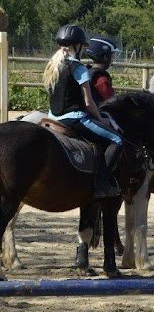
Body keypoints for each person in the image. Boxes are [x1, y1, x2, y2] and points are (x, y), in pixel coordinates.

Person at [43, 25, 123, 199]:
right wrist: (101, 120)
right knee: (116, 140)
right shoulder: (78, 67)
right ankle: (102, 185)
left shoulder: (53, 65)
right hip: (74, 118)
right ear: (77, 46)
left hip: (52, 117)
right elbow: (88, 102)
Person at [85, 36, 121, 104]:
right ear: (106, 57)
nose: (113, 60)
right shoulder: (101, 80)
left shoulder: (87, 71)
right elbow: (113, 101)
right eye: (112, 56)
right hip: (98, 113)